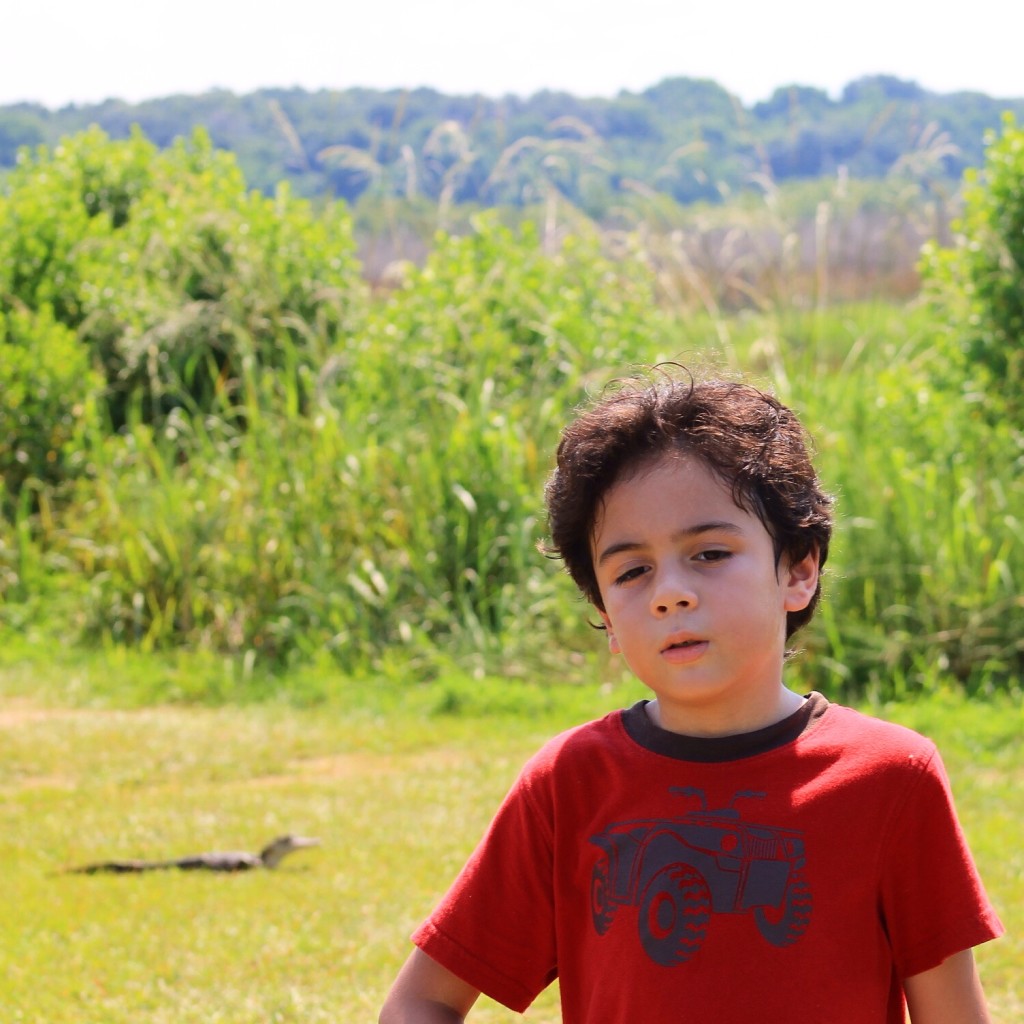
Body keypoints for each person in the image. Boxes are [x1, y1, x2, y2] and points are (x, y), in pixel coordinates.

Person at [379, 369, 1003, 1023]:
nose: (668, 592)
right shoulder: (569, 785)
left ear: (798, 570)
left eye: (708, 553)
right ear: (607, 617)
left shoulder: (891, 779)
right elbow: (421, 1001)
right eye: (632, 571)